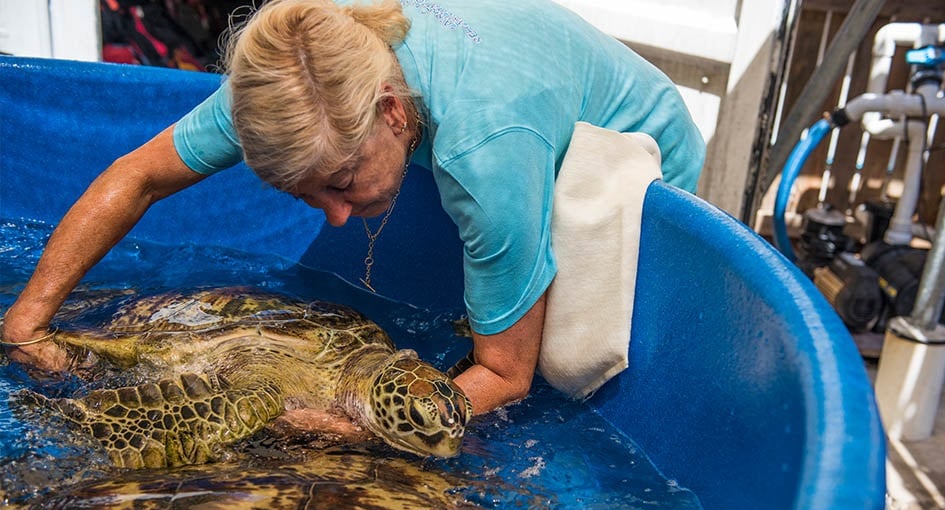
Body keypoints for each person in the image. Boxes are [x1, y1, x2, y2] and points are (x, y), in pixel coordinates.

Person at [1, 0, 704, 417]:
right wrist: (26, 323)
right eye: (302, 193)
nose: (335, 216)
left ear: (393, 113)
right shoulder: (293, 77)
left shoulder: (483, 151)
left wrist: (362, 423)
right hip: (498, 102)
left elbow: (501, 376)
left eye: (340, 182)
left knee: (564, 364)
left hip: (625, 150)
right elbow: (137, 177)